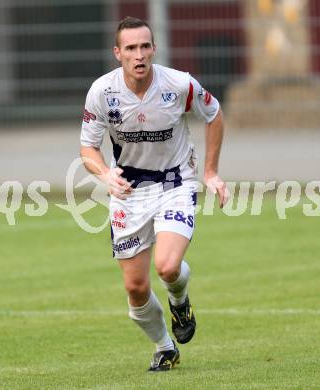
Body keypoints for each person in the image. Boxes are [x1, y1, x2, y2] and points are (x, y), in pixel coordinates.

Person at [80, 16, 229, 371]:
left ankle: (180, 300)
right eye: (130, 48)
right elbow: (87, 149)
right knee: (135, 288)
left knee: (167, 266)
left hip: (175, 184)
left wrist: (209, 172)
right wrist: (105, 174)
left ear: (154, 49)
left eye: (145, 46)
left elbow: (215, 114)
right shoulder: (102, 92)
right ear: (118, 53)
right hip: (129, 193)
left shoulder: (179, 84)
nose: (139, 54)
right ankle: (165, 347)